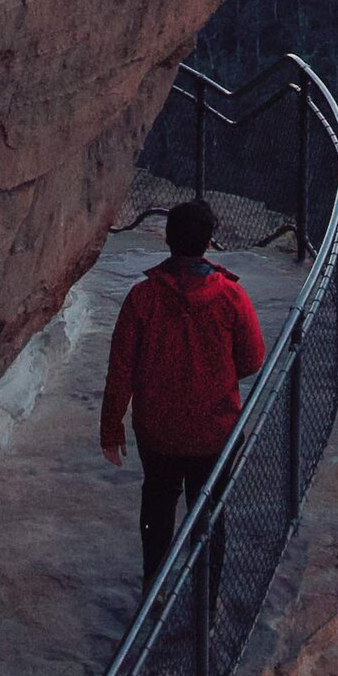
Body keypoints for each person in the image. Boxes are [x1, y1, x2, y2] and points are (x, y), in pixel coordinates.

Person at [100, 200, 266, 586]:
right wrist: (217, 374)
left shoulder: (143, 298)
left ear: (167, 239)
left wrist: (111, 428)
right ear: (209, 243)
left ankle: (154, 587)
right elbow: (253, 359)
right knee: (209, 515)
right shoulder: (230, 297)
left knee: (157, 507)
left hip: (158, 430)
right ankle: (204, 602)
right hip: (215, 431)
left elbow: (121, 369)